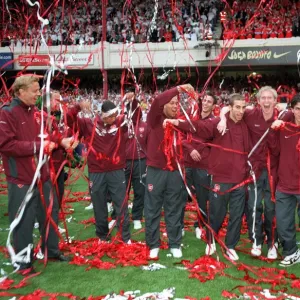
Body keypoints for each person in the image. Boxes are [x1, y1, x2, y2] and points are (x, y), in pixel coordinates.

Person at [0, 76, 71, 274]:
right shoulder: (7, 113)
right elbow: (6, 145)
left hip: (44, 176)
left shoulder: (38, 114)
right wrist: (39, 147)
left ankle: (52, 251)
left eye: (39, 90)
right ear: (20, 91)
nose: (38, 94)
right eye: (34, 91)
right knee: (24, 220)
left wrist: (63, 142)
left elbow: (51, 135)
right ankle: (23, 262)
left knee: (50, 213)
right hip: (22, 178)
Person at [166, 93, 250, 261]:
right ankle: (211, 240)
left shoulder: (246, 123)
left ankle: (230, 246)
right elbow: (197, 127)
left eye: (243, 108)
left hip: (241, 178)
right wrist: (176, 122)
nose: (240, 111)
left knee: (236, 215)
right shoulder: (218, 123)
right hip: (220, 178)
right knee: (217, 213)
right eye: (237, 107)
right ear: (230, 107)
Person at [218, 86, 292, 260]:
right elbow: (226, 108)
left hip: (274, 170)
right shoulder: (250, 114)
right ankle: (256, 241)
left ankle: (272, 242)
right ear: (258, 101)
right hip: (255, 170)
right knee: (254, 207)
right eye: (263, 98)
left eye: (270, 98)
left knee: (272, 208)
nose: (266, 101)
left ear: (275, 101)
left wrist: (285, 107)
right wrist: (222, 118)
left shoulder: (284, 115)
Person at [67, 94, 135, 243]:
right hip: (96, 171)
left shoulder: (120, 123)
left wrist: (132, 100)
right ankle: (102, 236)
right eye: (111, 116)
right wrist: (78, 107)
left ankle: (125, 236)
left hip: (116, 170)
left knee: (121, 203)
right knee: (99, 205)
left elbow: (135, 116)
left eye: (116, 115)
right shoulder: (89, 124)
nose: (114, 118)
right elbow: (68, 120)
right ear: (103, 115)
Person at [144, 84, 194, 259]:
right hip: (156, 171)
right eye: (172, 103)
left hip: (175, 172)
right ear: (164, 105)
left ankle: (174, 243)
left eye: (177, 104)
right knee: (152, 209)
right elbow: (157, 99)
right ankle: (153, 244)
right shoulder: (154, 119)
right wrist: (179, 89)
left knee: (174, 208)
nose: (175, 106)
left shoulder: (179, 122)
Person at [268, 94, 300, 266]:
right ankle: (291, 252)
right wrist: (273, 130)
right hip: (285, 185)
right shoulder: (285, 129)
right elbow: (273, 149)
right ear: (293, 110)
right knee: (283, 222)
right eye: (298, 109)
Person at [181, 91, 216, 239]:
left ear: (213, 105)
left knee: (202, 198)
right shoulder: (190, 116)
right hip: (186, 162)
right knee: (180, 195)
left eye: (209, 101)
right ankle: (178, 225)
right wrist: (191, 148)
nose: (206, 103)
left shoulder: (214, 122)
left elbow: (216, 143)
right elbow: (180, 136)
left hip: (203, 165)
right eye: (204, 100)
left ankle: (200, 225)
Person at [124, 97, 147, 230]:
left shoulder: (145, 126)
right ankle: (119, 216)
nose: (137, 111)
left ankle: (137, 217)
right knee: (122, 192)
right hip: (124, 163)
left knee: (140, 191)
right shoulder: (122, 126)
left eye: (138, 109)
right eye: (133, 109)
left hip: (141, 162)